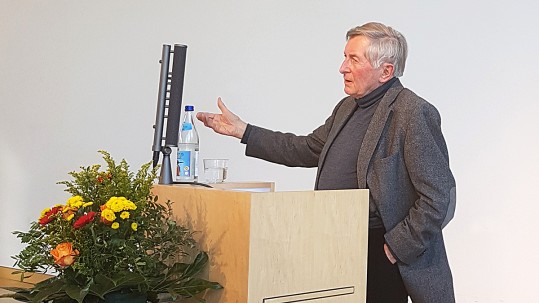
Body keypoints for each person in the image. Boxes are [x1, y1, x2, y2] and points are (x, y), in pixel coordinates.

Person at [196, 21, 456, 303]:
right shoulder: (347, 107)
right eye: (345, 57)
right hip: (337, 245)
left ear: (386, 71)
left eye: (353, 59)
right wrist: (243, 131)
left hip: (381, 255)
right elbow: (306, 148)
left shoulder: (413, 113)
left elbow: (439, 197)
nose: (342, 67)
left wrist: (395, 247)